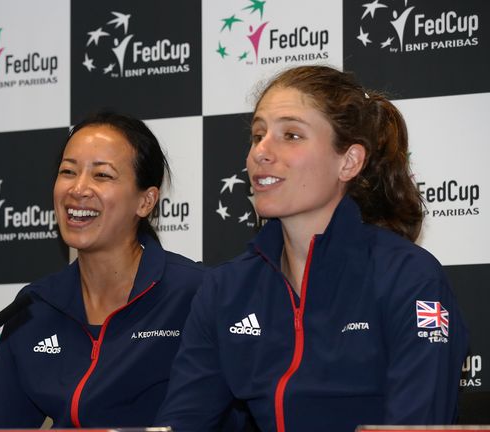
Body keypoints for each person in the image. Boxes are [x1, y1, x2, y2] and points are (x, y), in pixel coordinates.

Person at [156, 65, 469, 431]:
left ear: (349, 161)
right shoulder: (227, 289)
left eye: (290, 135)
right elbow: (182, 423)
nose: (261, 152)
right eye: (258, 135)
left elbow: (418, 423)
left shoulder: (409, 277)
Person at [0, 111, 206, 428]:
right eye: (68, 171)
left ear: (146, 201)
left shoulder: (194, 294)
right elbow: (0, 424)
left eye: (102, 176)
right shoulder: (35, 306)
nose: (78, 189)